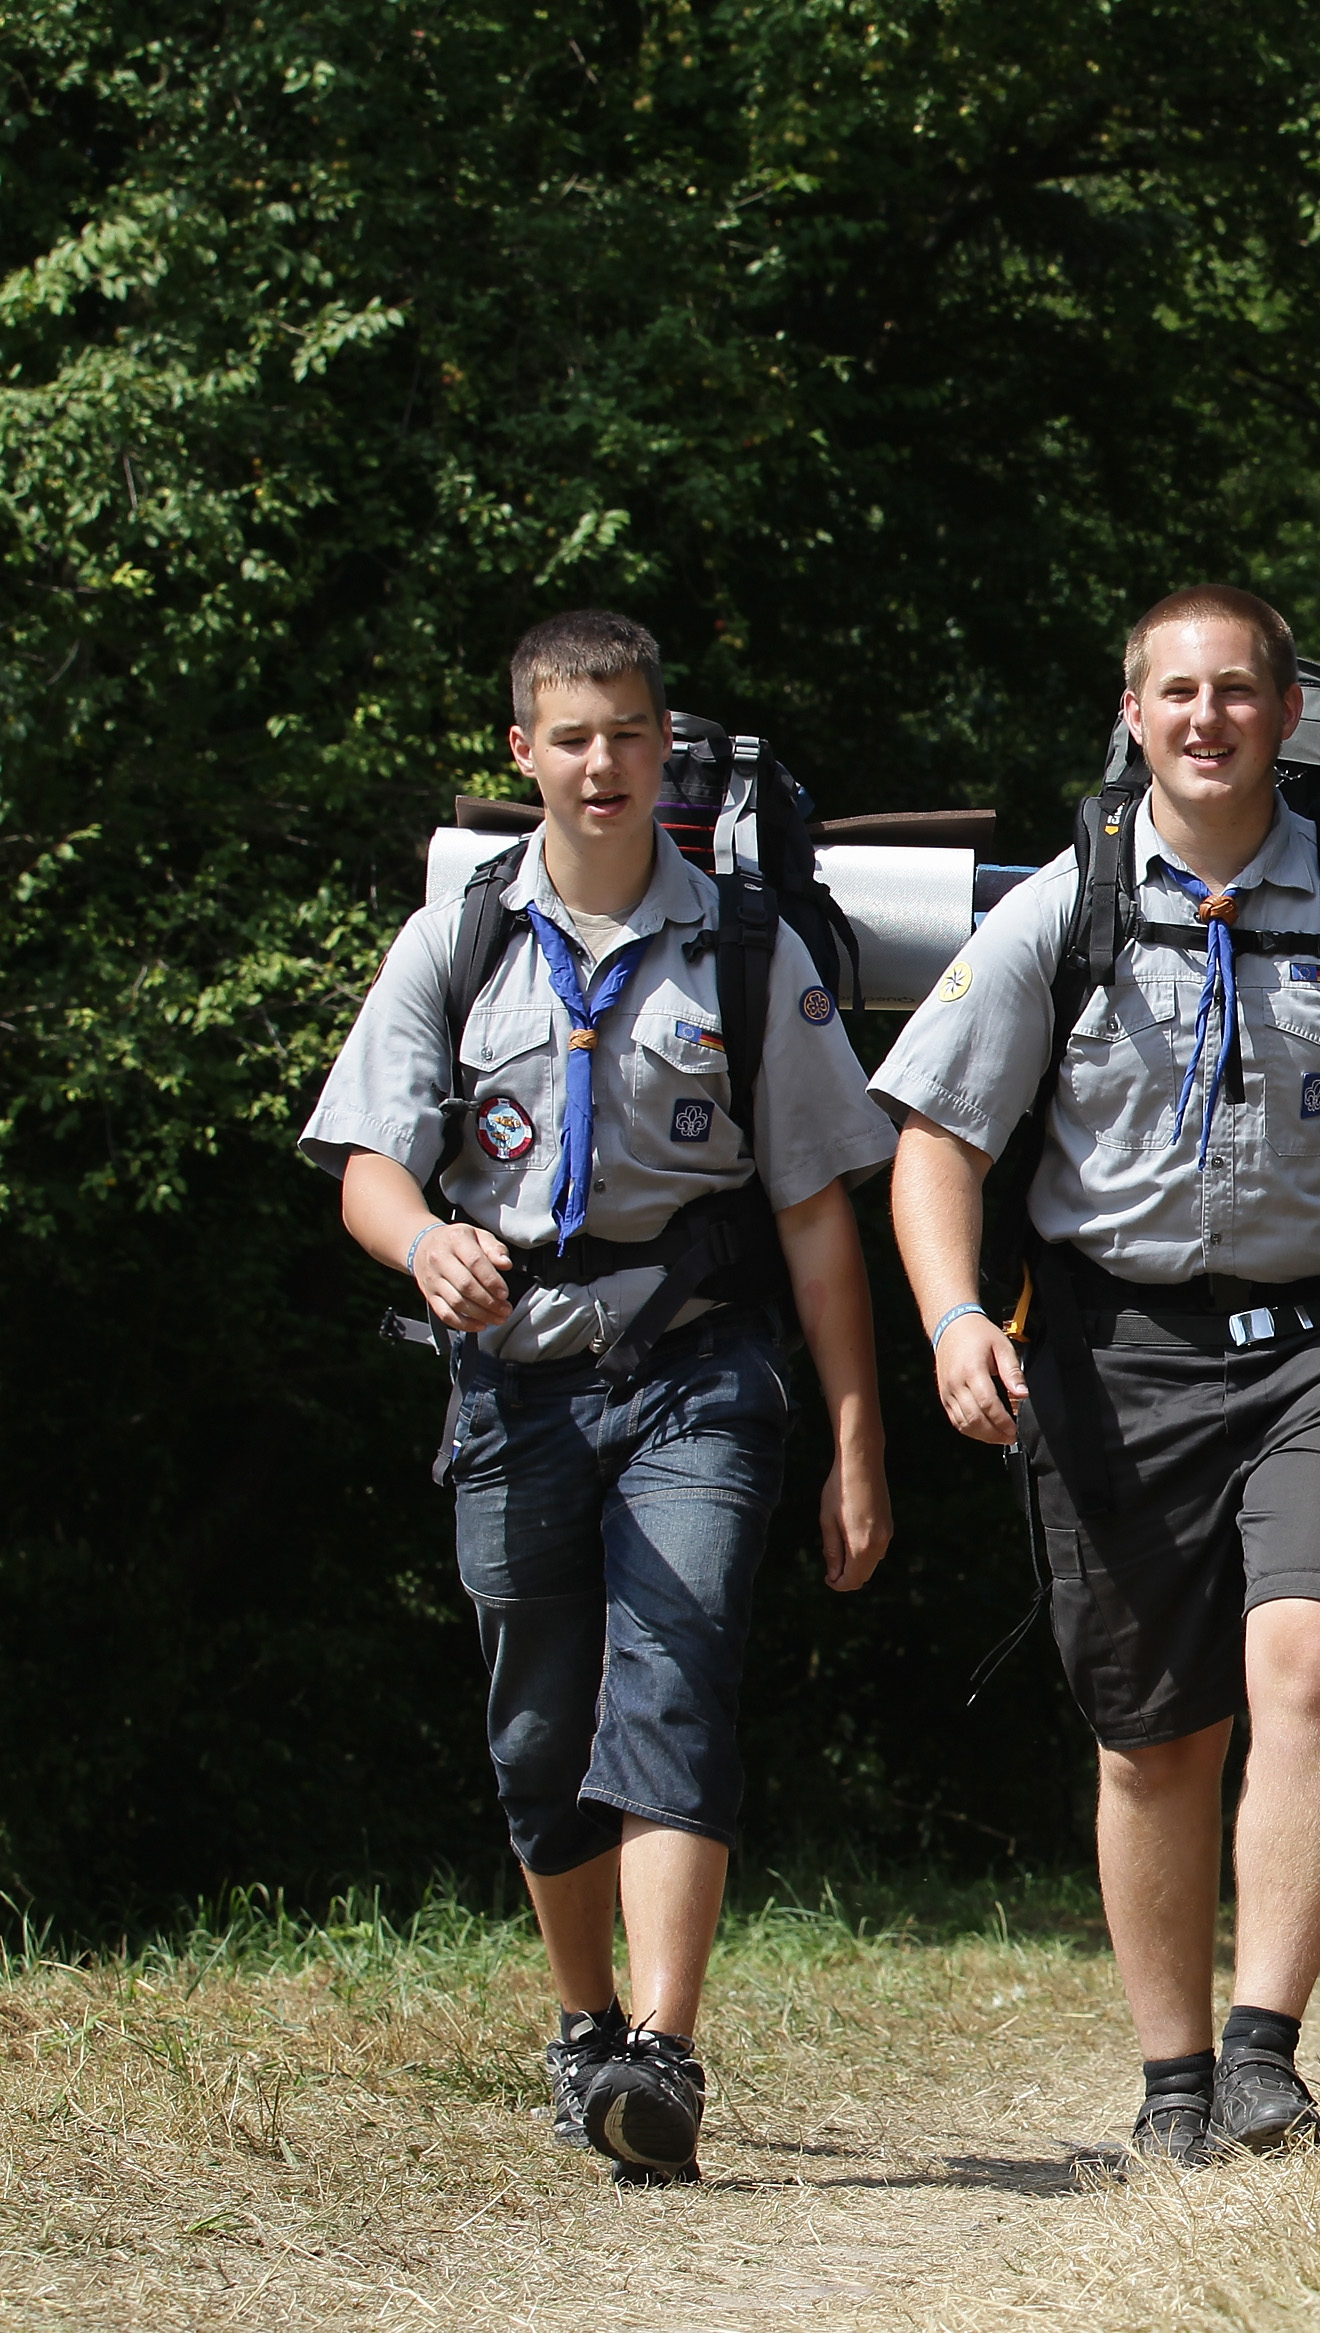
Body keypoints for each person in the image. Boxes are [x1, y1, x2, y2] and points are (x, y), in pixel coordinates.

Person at [877, 584, 1320, 2168]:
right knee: (1152, 1737)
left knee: (1314, 1667)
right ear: (1135, 716)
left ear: (1281, 714)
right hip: (1117, 1358)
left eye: (1237, 691)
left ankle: (1264, 2051)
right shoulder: (1066, 906)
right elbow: (937, 1141)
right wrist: (950, 1317)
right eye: (1176, 693)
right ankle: (1173, 2077)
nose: (1207, 718)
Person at [303, 610, 898, 2185]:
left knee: (679, 1668)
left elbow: (816, 1215)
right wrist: (424, 1237)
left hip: (700, 1365)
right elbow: (366, 1160)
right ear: (524, 755)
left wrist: (855, 1435)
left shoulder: (751, 948)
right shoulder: (463, 938)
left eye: (627, 733)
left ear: (662, 749)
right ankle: (582, 2029)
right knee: (533, 1725)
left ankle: (664, 2050)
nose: (601, 762)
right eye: (570, 736)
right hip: (512, 1381)